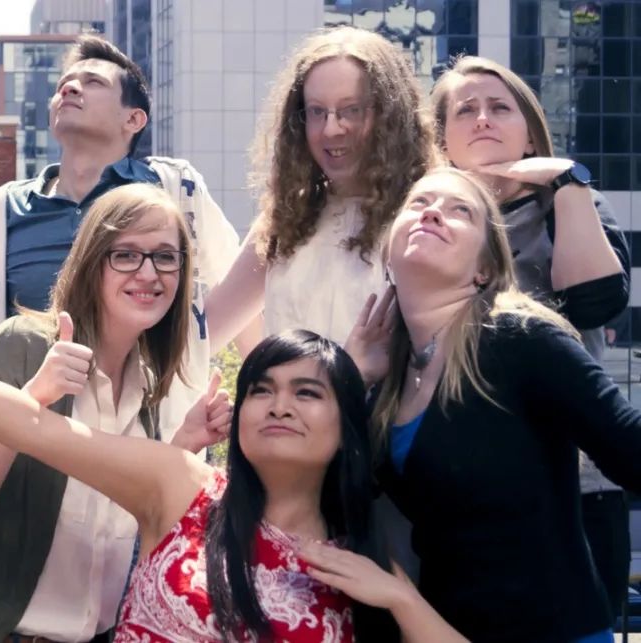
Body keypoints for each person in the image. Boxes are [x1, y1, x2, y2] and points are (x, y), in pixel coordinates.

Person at [0, 300, 478, 642]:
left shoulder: (361, 555)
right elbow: (31, 427)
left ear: (346, 426)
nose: (278, 404)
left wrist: (401, 601)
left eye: (307, 392)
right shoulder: (181, 486)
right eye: (261, 388)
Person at [0, 183, 231, 641]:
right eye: (126, 255)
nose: (148, 273)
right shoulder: (24, 345)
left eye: (165, 257)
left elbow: (141, 523)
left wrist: (183, 446)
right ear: (92, 262)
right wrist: (33, 400)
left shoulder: (148, 386)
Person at [356, 167, 641, 642]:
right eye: (419, 202)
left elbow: (631, 449)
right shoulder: (386, 384)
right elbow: (333, 493)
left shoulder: (521, 338)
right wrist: (352, 374)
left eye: (460, 210)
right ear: (389, 251)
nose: (433, 212)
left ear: (484, 270)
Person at [0, 33, 251, 440]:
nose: (69, 88)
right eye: (64, 84)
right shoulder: (0, 211)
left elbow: (239, 283)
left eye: (93, 82)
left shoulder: (174, 188)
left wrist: (265, 386)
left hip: (148, 438)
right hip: (33, 436)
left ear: (133, 120)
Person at [430, 55, 632, 621]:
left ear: (530, 130)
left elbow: (596, 303)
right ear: (441, 139)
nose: (483, 118)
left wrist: (566, 180)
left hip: (577, 485)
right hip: (460, 482)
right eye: (465, 110)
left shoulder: (570, 202)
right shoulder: (422, 219)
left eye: (500, 107)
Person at [206, 25, 436, 350]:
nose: (331, 129)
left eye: (351, 110)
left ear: (391, 115)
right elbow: (203, 334)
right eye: (316, 111)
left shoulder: (427, 216)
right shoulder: (288, 218)